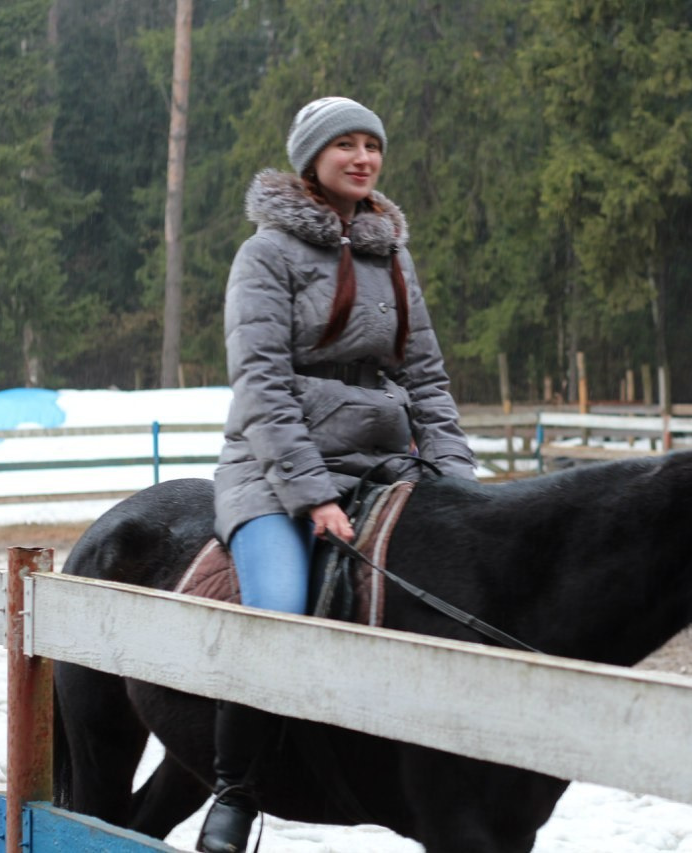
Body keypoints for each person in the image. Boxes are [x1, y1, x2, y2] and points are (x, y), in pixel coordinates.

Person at [198, 96, 477, 853]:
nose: (362, 158)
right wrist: (312, 493)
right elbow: (259, 382)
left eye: (371, 145)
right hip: (274, 466)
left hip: (387, 456)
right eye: (344, 145)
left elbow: (426, 378)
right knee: (282, 608)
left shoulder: (394, 255)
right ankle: (236, 790)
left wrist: (460, 481)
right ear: (311, 159)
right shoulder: (265, 255)